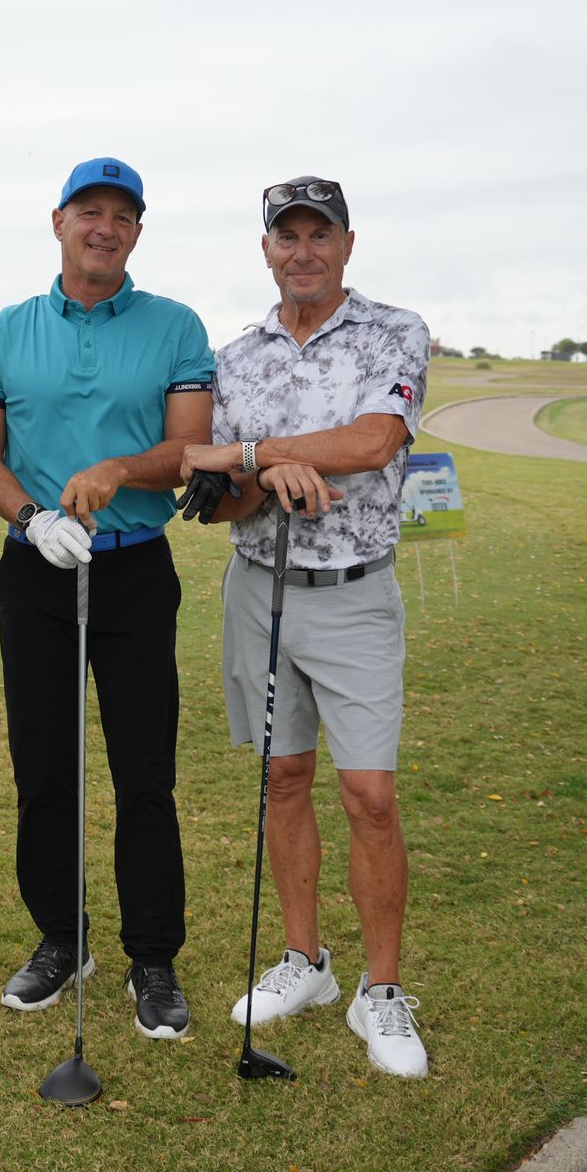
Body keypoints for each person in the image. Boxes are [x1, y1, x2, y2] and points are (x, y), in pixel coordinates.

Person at [179, 175, 431, 1078]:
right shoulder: (236, 357)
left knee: (369, 795)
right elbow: (219, 494)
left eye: (318, 235)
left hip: (356, 595)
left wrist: (252, 453)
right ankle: (305, 962)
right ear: (267, 250)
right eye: (287, 237)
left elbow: (373, 442)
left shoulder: (394, 331)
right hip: (261, 589)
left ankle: (383, 990)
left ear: (347, 245)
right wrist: (256, 479)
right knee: (283, 780)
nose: (303, 251)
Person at [0, 157, 214, 1041]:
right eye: (89, 211)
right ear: (59, 221)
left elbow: (189, 449)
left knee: (145, 770)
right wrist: (31, 518)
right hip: (36, 568)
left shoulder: (176, 326)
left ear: (137, 231)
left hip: (136, 567)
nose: (104, 227)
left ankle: (153, 956)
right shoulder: (5, 330)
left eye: (122, 215)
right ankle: (61, 937)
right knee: (45, 767)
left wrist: (116, 469)